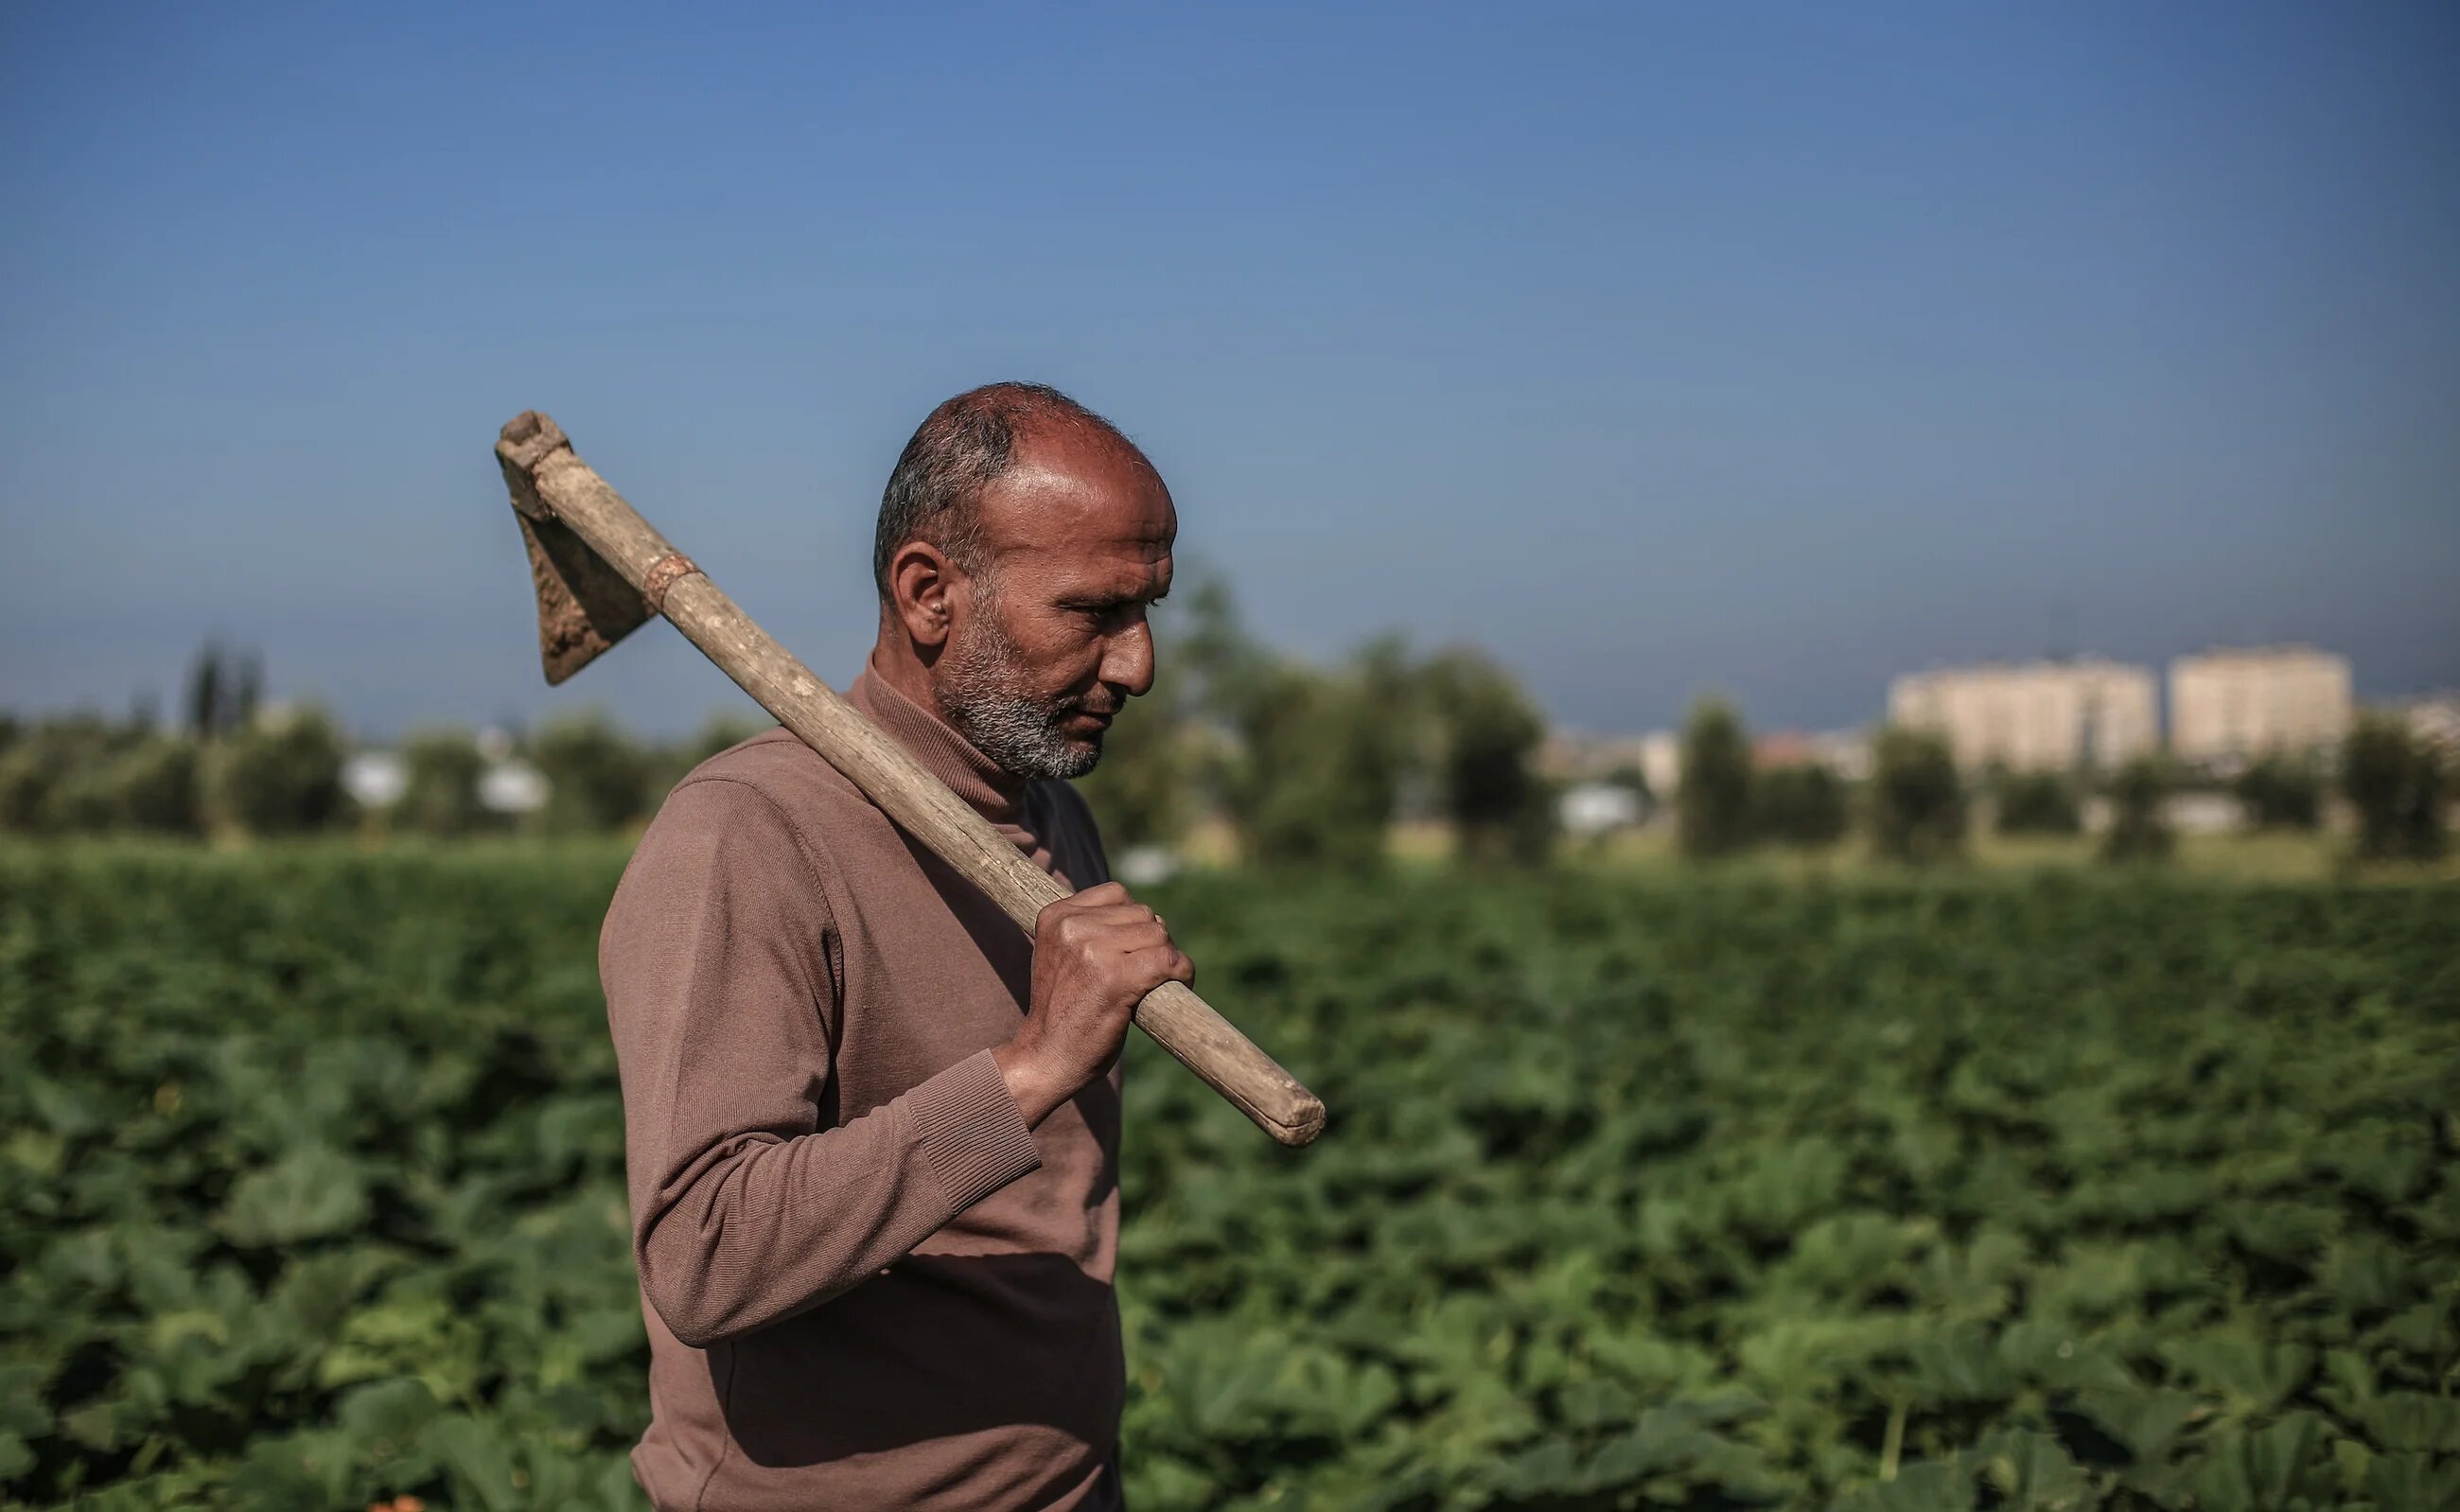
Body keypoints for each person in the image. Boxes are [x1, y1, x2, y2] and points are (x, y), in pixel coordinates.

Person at [599, 382, 1186, 1510]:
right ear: (928, 593)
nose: (1137, 666)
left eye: (1148, 608)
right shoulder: (748, 834)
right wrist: (1030, 1068)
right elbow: (706, 1255)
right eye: (1092, 613)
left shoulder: (1049, 803)